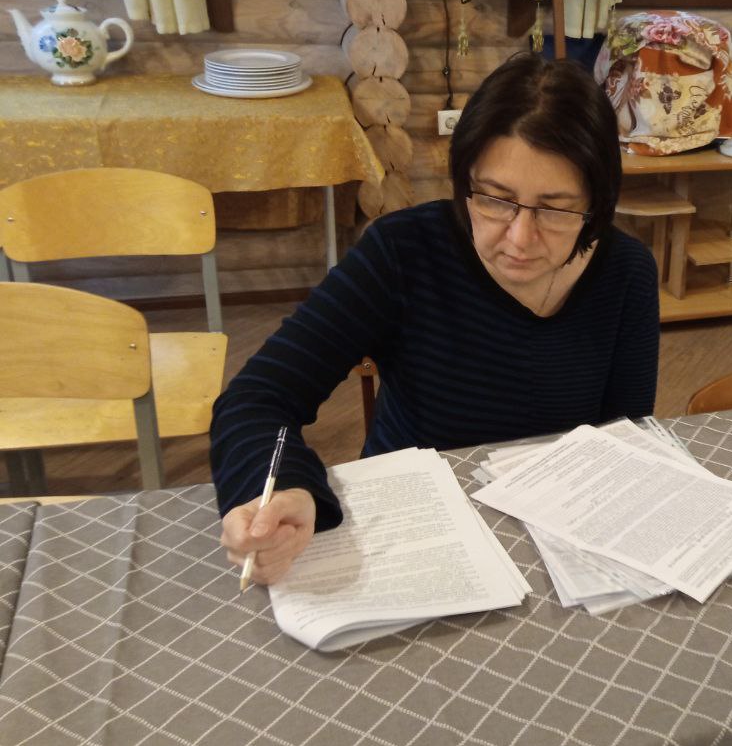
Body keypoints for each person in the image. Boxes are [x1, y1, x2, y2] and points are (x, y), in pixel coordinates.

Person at [215, 53, 660, 584]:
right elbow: (257, 399)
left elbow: (624, 436)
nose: (520, 238)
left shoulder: (626, 271)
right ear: (463, 182)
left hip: (556, 532)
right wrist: (286, 488)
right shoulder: (403, 252)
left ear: (596, 204)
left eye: (556, 208)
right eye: (495, 199)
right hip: (412, 525)